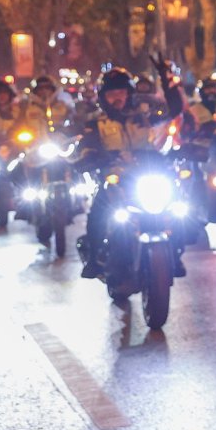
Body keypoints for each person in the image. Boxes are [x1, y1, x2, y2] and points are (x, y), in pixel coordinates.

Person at [77, 61, 184, 279]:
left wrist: (166, 78)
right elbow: (86, 146)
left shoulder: (145, 116)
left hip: (146, 175)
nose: (117, 97)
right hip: (115, 178)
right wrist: (89, 156)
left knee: (179, 208)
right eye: (112, 93)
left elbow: (174, 109)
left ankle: (176, 251)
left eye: (122, 92)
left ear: (129, 94)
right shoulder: (96, 123)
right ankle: (95, 258)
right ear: (103, 97)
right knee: (99, 211)